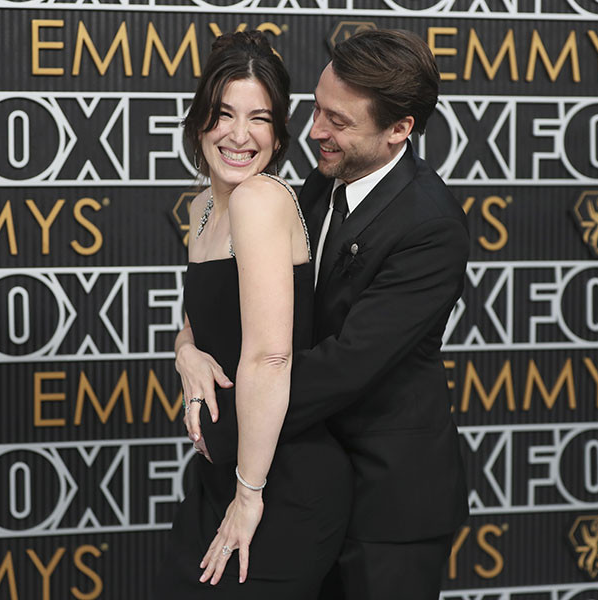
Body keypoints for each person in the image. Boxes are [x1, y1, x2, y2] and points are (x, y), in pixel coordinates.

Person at [179, 29, 470, 599]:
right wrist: (187, 351)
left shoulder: (432, 228)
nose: (314, 132)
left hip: (389, 506)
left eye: (338, 121)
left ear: (398, 131)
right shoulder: (321, 181)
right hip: (298, 474)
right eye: (316, 108)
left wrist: (234, 426)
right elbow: (236, 303)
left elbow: (344, 363)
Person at [154, 31, 352, 599]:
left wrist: (248, 496)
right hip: (221, 481)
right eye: (223, 114)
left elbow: (270, 354)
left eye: (259, 118)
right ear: (199, 123)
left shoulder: (258, 200)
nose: (239, 136)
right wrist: (184, 350)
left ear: (279, 133)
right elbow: (213, 315)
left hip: (277, 486)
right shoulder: (204, 206)